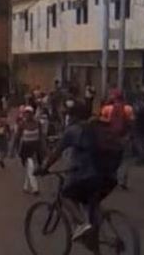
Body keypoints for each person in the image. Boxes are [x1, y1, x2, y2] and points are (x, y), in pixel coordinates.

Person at [37, 92, 124, 241]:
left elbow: (55, 154)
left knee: (66, 196)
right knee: (91, 201)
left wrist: (43, 168)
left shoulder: (73, 131)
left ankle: (82, 225)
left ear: (73, 116)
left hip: (88, 175)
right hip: (109, 176)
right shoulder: (99, 126)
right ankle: (99, 237)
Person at [99, 90, 135, 190]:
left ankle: (111, 177)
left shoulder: (107, 108)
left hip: (111, 138)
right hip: (124, 138)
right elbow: (132, 123)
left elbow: (101, 123)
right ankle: (122, 180)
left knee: (110, 158)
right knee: (125, 160)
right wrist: (130, 135)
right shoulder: (128, 109)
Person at [14, 106, 44, 195]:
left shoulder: (38, 123)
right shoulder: (22, 124)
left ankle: (26, 186)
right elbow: (17, 137)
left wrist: (44, 149)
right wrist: (13, 149)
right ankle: (35, 188)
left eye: (29, 113)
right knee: (31, 166)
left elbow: (42, 137)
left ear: (32, 114)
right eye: (26, 113)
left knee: (30, 167)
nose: (27, 115)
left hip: (36, 148)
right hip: (26, 149)